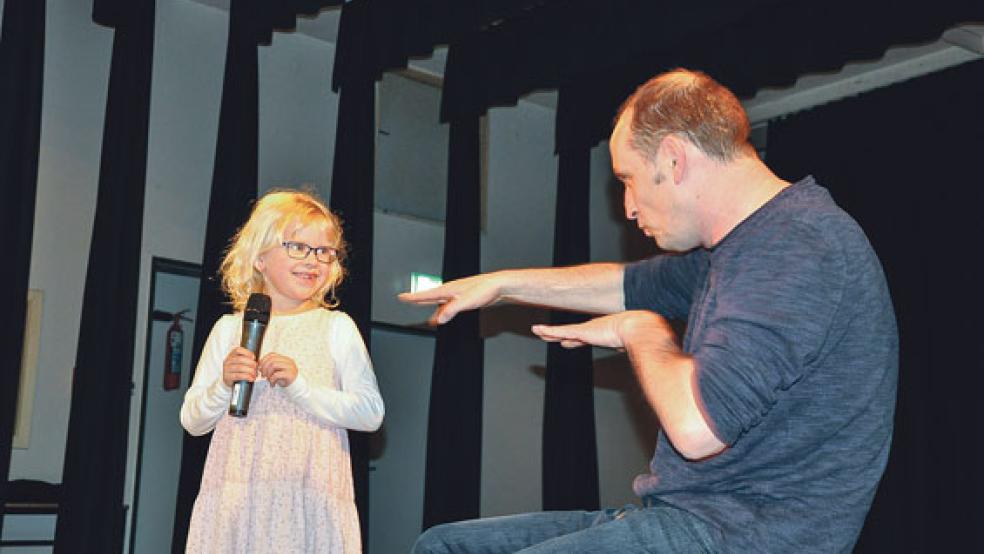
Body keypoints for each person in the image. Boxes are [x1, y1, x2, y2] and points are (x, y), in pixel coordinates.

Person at [401, 69, 897, 553]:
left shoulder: (796, 244)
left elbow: (697, 430)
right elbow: (624, 286)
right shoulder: (736, 251)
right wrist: (502, 285)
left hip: (746, 535)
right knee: (446, 544)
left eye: (629, 179)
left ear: (674, 159)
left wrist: (641, 332)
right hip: (690, 519)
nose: (628, 206)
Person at [180, 189, 385, 553]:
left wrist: (300, 386)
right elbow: (193, 421)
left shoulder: (336, 327)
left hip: (310, 501)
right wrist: (223, 386)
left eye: (324, 251)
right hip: (236, 502)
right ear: (259, 257)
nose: (313, 261)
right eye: (297, 247)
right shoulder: (230, 329)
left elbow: (370, 414)